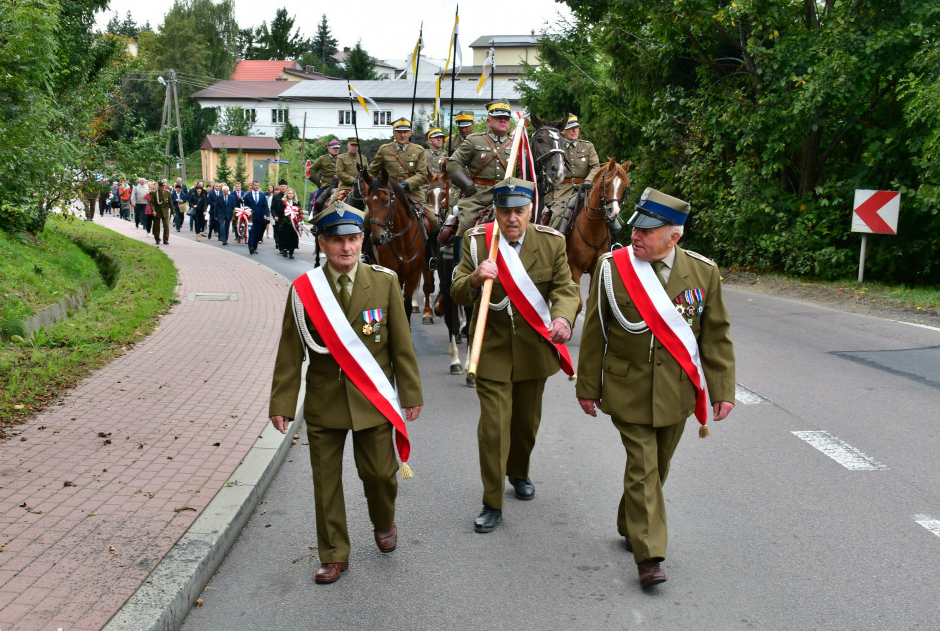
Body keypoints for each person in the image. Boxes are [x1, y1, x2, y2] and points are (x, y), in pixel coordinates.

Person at [575, 188, 736, 589]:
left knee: (656, 467)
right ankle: (650, 556)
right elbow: (595, 332)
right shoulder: (613, 268)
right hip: (627, 388)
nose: (637, 236)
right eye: (636, 228)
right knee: (644, 466)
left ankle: (629, 521)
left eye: (648, 231)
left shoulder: (702, 272)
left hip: (677, 391)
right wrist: (587, 386)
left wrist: (722, 390)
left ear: (674, 237)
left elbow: (715, 337)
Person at [269, 201, 423, 584]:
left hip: (372, 400)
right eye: (338, 240)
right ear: (322, 243)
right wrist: (282, 403)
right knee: (326, 482)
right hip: (325, 400)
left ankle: (383, 520)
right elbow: (290, 352)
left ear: (362, 240)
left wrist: (410, 393)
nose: (347, 248)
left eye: (353, 239)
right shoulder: (305, 291)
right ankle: (334, 553)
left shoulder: (385, 281)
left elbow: (401, 345)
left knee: (381, 476)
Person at [450, 178, 579, 533]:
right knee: (493, 429)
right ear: (496, 211)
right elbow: (457, 291)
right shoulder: (477, 242)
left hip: (533, 351)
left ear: (530, 211)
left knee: (525, 426)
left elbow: (565, 288)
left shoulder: (551, 242)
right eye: (505, 212)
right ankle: (492, 501)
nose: (511, 219)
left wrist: (564, 317)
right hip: (490, 349)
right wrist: (475, 278)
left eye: (519, 212)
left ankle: (518, 471)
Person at [447, 101, 517, 249]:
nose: (503, 120)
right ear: (488, 120)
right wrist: (467, 185)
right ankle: (459, 268)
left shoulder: (517, 144)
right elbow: (453, 163)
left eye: (506, 117)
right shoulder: (475, 140)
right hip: (477, 197)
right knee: (465, 225)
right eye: (498, 117)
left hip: (508, 195)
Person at [544, 113, 602, 233]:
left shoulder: (587, 146)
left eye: (576, 127)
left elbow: (595, 167)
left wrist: (588, 181)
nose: (575, 130)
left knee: (608, 215)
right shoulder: (557, 147)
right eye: (570, 128)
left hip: (586, 188)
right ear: (563, 131)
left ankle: (614, 243)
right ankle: (554, 244)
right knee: (555, 217)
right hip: (563, 190)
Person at [368, 118, 428, 198]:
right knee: (370, 209)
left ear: (410, 133)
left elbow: (422, 174)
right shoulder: (384, 150)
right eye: (399, 132)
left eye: (405, 132)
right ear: (394, 133)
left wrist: (406, 184)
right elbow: (371, 172)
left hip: (412, 192)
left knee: (428, 210)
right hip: (388, 192)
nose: (402, 135)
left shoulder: (418, 150)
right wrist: (374, 186)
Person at [309, 140, 341, 207]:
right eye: (334, 148)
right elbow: (312, 170)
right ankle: (315, 215)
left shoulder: (342, 158)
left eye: (337, 148)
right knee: (317, 202)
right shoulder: (322, 159)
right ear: (329, 149)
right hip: (326, 185)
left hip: (340, 185)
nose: (336, 150)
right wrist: (318, 183)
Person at [244, 180, 270, 255]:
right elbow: (245, 205)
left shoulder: (262, 195)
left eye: (258, 185)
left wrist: (267, 215)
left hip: (260, 217)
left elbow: (265, 206)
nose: (256, 187)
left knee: (257, 233)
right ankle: (251, 247)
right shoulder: (248, 195)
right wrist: (246, 213)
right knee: (251, 232)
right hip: (250, 217)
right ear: (252, 186)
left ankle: (255, 247)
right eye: (255, 185)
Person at [150, 180, 172, 245]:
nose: (163, 187)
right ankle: (157, 239)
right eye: (162, 186)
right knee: (156, 226)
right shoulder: (154, 193)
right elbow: (151, 203)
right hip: (157, 211)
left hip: (165, 211)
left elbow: (170, 202)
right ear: (159, 186)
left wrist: (173, 212)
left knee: (166, 225)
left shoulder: (167, 193)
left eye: (164, 186)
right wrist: (153, 210)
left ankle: (166, 239)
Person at [271, 179, 287, 251]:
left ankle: (286, 246)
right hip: (278, 217)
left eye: (284, 186)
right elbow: (272, 208)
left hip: (287, 217)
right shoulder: (275, 196)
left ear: (286, 187)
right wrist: (274, 216)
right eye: (281, 186)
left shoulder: (289, 195)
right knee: (278, 232)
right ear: (279, 187)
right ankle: (280, 246)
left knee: (286, 232)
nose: (283, 187)